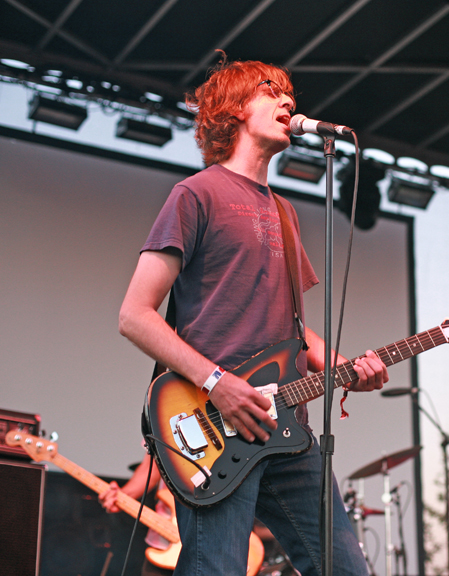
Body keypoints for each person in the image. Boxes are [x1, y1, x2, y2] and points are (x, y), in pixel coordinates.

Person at [117, 55, 389, 576]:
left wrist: (345, 365)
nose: (289, 101)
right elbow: (135, 314)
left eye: (291, 94)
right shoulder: (195, 194)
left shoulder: (285, 213)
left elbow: (291, 327)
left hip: (288, 426)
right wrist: (216, 381)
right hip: (214, 424)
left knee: (348, 569)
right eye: (272, 90)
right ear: (233, 108)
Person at [99, 452, 174, 576]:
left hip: (210, 545)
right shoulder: (161, 431)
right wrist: (124, 495)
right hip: (162, 543)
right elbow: (152, 465)